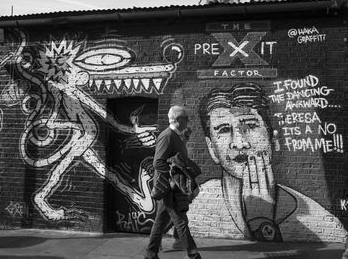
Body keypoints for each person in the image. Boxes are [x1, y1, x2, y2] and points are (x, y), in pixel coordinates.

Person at [187, 83, 346, 242]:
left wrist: (260, 221)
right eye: (224, 130)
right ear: (212, 149)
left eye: (250, 126)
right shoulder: (194, 209)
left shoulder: (321, 225)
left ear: (274, 140)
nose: (240, 143)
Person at [144, 105, 201, 259]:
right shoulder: (167, 135)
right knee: (180, 220)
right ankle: (193, 254)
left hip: (172, 187)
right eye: (186, 118)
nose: (188, 121)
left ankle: (150, 253)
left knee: (161, 221)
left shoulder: (176, 136)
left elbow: (175, 158)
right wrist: (174, 175)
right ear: (178, 119)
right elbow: (158, 163)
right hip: (168, 187)